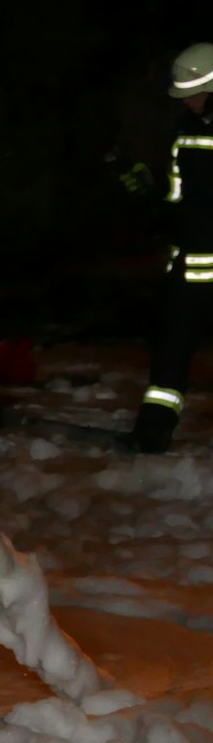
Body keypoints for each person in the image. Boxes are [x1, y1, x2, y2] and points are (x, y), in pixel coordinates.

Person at [130, 42, 213, 454]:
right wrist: (145, 185)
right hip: (189, 266)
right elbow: (176, 198)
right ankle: (154, 431)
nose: (191, 102)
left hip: (198, 262)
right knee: (170, 354)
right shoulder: (186, 132)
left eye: (196, 94)